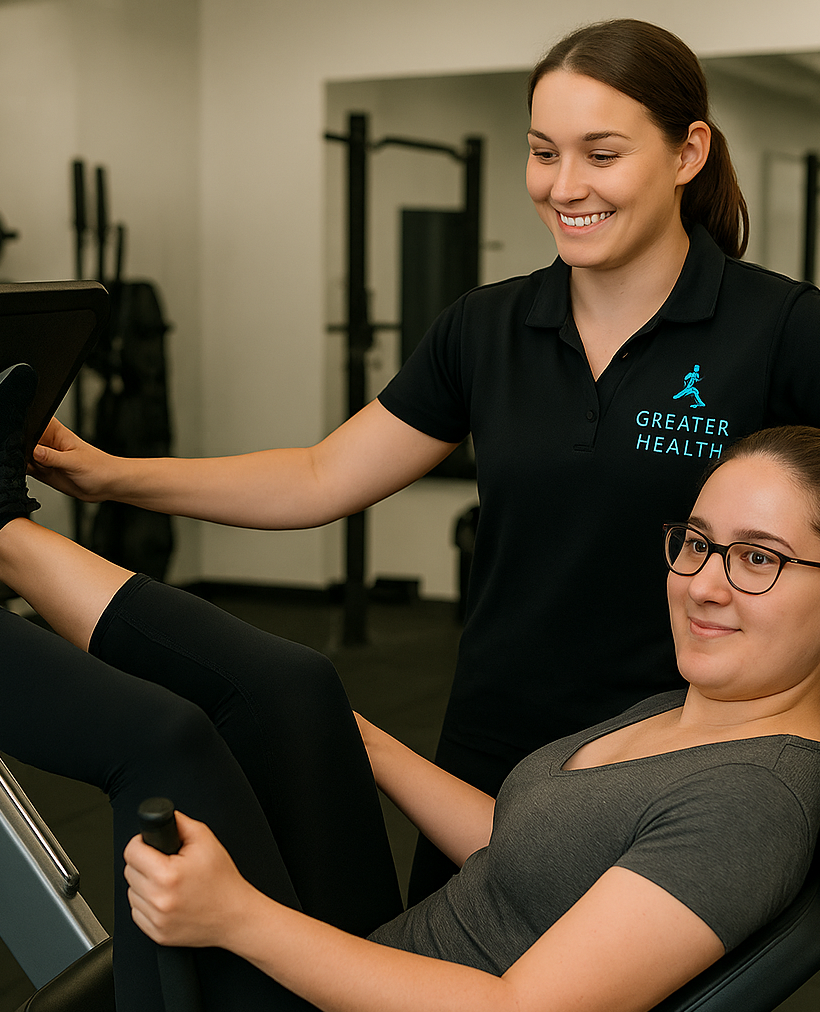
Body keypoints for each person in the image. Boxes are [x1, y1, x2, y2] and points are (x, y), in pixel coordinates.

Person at [29, 18, 820, 902]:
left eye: (602, 155)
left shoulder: (782, 331)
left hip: (685, 754)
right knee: (436, 959)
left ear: (688, 153)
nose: (564, 186)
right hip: (494, 740)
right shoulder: (486, 327)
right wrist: (108, 473)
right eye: (543, 153)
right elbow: (321, 477)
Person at [4, 361, 820, 1012]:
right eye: (698, 543)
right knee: (297, 688)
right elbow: (533, 850)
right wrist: (348, 733)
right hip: (385, 963)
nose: (704, 585)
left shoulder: (751, 800)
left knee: (162, 743)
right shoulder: (700, 708)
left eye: (759, 559)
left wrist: (235, 916)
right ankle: (6, 527)